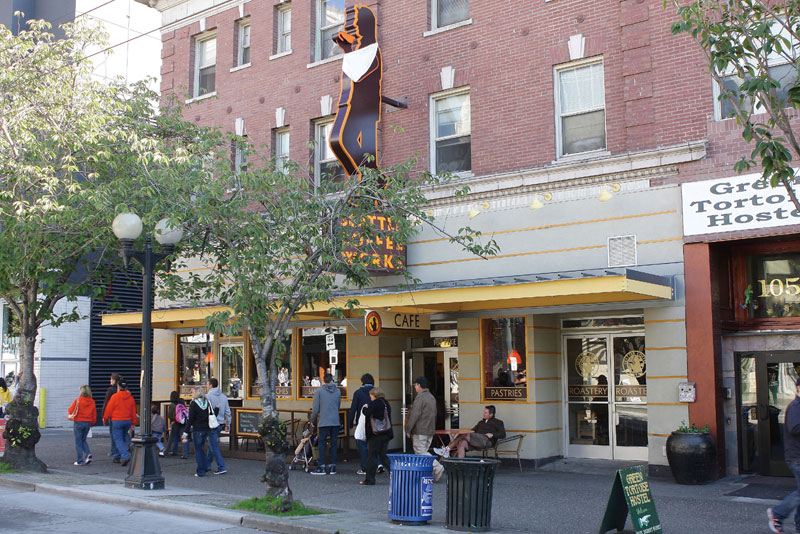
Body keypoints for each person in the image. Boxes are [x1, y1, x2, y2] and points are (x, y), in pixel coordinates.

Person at [769, 377, 800, 533]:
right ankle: (778, 513)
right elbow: (795, 428)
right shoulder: (795, 407)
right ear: (799, 388)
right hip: (797, 458)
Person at [405, 377, 444, 482]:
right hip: (429, 429)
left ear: (419, 385)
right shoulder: (431, 397)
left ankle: (437, 467)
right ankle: (427, 473)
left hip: (420, 430)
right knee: (424, 451)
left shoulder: (420, 397)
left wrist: (408, 429)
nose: (415, 387)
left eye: (415, 385)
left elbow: (414, 415)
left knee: (420, 452)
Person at [434, 405, 505, 459]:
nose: (484, 414)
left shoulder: (498, 422)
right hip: (476, 440)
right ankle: (461, 464)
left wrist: (493, 434)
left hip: (486, 440)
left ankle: (447, 449)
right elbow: (472, 430)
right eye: (484, 412)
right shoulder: (481, 422)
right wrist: (463, 433)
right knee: (462, 443)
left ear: (491, 414)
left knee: (464, 434)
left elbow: (503, 434)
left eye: (486, 413)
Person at [360, 387, 392, 485]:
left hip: (376, 434)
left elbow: (367, 413)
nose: (370, 397)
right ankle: (398, 473)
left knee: (372, 456)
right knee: (383, 456)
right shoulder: (386, 403)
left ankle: (369, 479)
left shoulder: (375, 403)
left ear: (375, 395)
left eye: (371, 395)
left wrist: (364, 408)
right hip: (386, 433)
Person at [310, 372, 341, 475]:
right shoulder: (338, 391)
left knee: (322, 443)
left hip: (324, 421)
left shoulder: (319, 391)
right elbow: (338, 406)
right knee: (334, 443)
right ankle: (333, 467)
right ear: (332, 380)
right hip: (335, 421)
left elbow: (315, 409)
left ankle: (321, 466)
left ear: (323, 380)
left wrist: (312, 420)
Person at [102, 381, 138, 466]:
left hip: (117, 420)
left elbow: (109, 408)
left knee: (118, 439)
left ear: (118, 388)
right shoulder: (130, 398)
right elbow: (133, 411)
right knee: (123, 436)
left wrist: (105, 418)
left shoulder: (115, 397)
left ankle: (125, 455)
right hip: (127, 420)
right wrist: (133, 423)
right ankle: (117, 455)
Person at [182, 386, 212, 477]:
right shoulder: (206, 402)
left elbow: (190, 419)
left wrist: (185, 432)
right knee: (202, 448)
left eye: (192, 392)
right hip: (206, 428)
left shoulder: (194, 404)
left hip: (197, 429)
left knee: (198, 450)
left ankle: (201, 471)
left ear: (197, 393)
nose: (191, 394)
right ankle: (205, 466)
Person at [348, 373, 374, 476]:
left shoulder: (358, 393)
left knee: (362, 444)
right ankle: (378, 465)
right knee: (373, 445)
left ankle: (364, 467)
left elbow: (353, 409)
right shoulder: (376, 392)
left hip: (362, 422)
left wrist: (350, 423)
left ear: (362, 382)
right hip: (375, 422)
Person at [205, 378, 230, 475]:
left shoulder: (208, 396)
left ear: (211, 385)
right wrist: (228, 424)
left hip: (211, 423)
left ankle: (221, 466)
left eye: (207, 384)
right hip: (220, 423)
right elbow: (228, 412)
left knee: (213, 446)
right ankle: (207, 465)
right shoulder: (224, 397)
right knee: (211, 444)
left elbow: (206, 411)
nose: (206, 386)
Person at [68, 384, 96, 466]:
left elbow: (70, 410)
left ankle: (79, 460)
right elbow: (94, 415)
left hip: (78, 422)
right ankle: (88, 453)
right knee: (83, 440)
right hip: (88, 422)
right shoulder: (92, 402)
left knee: (78, 442)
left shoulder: (78, 400)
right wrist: (92, 424)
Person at [102, 374, 123, 458]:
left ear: (115, 381)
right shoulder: (122, 390)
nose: (110, 381)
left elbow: (106, 403)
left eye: (111, 380)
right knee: (121, 434)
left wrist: (104, 415)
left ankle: (114, 451)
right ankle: (121, 449)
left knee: (113, 433)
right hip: (122, 414)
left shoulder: (110, 390)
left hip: (113, 415)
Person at [165, 391, 190, 458]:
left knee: (172, 438)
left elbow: (170, 415)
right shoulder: (181, 402)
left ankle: (167, 451)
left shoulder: (172, 405)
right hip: (183, 422)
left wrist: (172, 420)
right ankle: (185, 453)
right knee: (184, 437)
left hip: (175, 422)